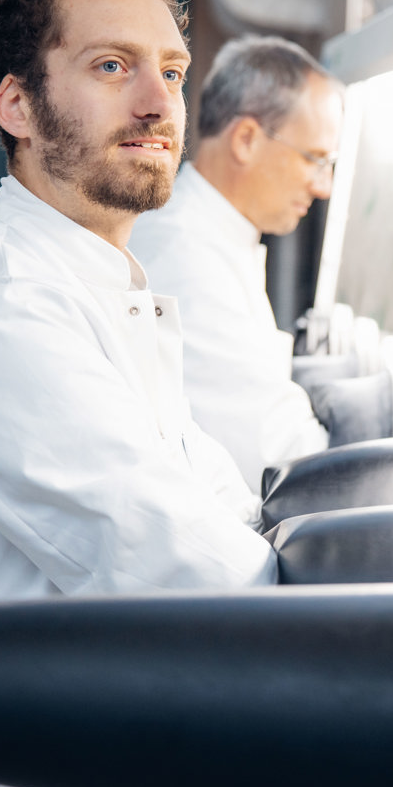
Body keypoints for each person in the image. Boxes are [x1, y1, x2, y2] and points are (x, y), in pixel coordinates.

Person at [0, 0, 277, 618]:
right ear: (18, 107)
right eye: (112, 65)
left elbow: (230, 509)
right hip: (37, 693)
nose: (159, 103)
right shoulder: (2, 310)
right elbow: (205, 580)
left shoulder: (93, 284)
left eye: (173, 72)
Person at [128, 36, 341, 491]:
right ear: (245, 140)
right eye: (315, 159)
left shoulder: (211, 236)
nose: (323, 186)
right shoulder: (185, 255)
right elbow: (275, 460)